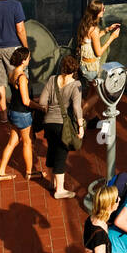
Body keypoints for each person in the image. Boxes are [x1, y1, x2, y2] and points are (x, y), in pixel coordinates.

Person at [38, 54, 84, 198]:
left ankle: (52, 182)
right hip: (62, 126)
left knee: (51, 150)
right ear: (74, 70)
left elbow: (42, 102)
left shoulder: (52, 79)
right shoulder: (76, 85)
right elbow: (77, 108)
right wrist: (80, 125)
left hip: (48, 123)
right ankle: (60, 190)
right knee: (61, 155)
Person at [0, 46, 37, 181]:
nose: (30, 59)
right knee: (27, 142)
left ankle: (0, 172)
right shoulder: (22, 77)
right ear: (23, 61)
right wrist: (41, 107)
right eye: (29, 57)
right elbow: (26, 101)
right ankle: (30, 172)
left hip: (12, 111)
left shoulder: (11, 73)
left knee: (12, 142)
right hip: (22, 114)